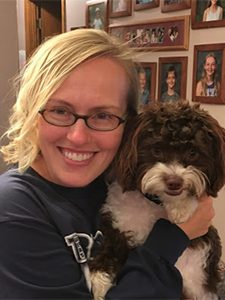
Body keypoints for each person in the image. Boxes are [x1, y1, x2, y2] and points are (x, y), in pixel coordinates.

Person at [0, 28, 215, 299]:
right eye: (59, 111)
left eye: (103, 115)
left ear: (130, 125)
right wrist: (174, 238)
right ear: (31, 113)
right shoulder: (13, 209)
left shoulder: (122, 185)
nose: (78, 137)